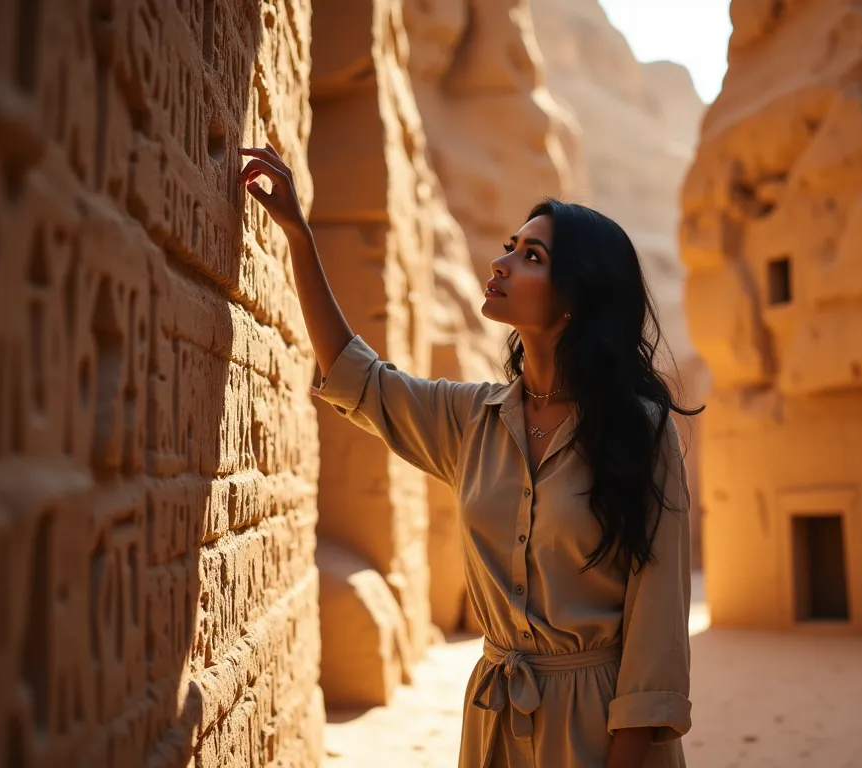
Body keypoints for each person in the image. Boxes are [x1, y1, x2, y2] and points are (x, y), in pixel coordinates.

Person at [238, 145, 700, 768]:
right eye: (510, 246)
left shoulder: (641, 432)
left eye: (531, 256)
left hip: (602, 730)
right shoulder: (471, 418)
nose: (501, 262)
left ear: (577, 297)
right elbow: (357, 378)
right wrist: (299, 236)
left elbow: (658, 623)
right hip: (494, 724)